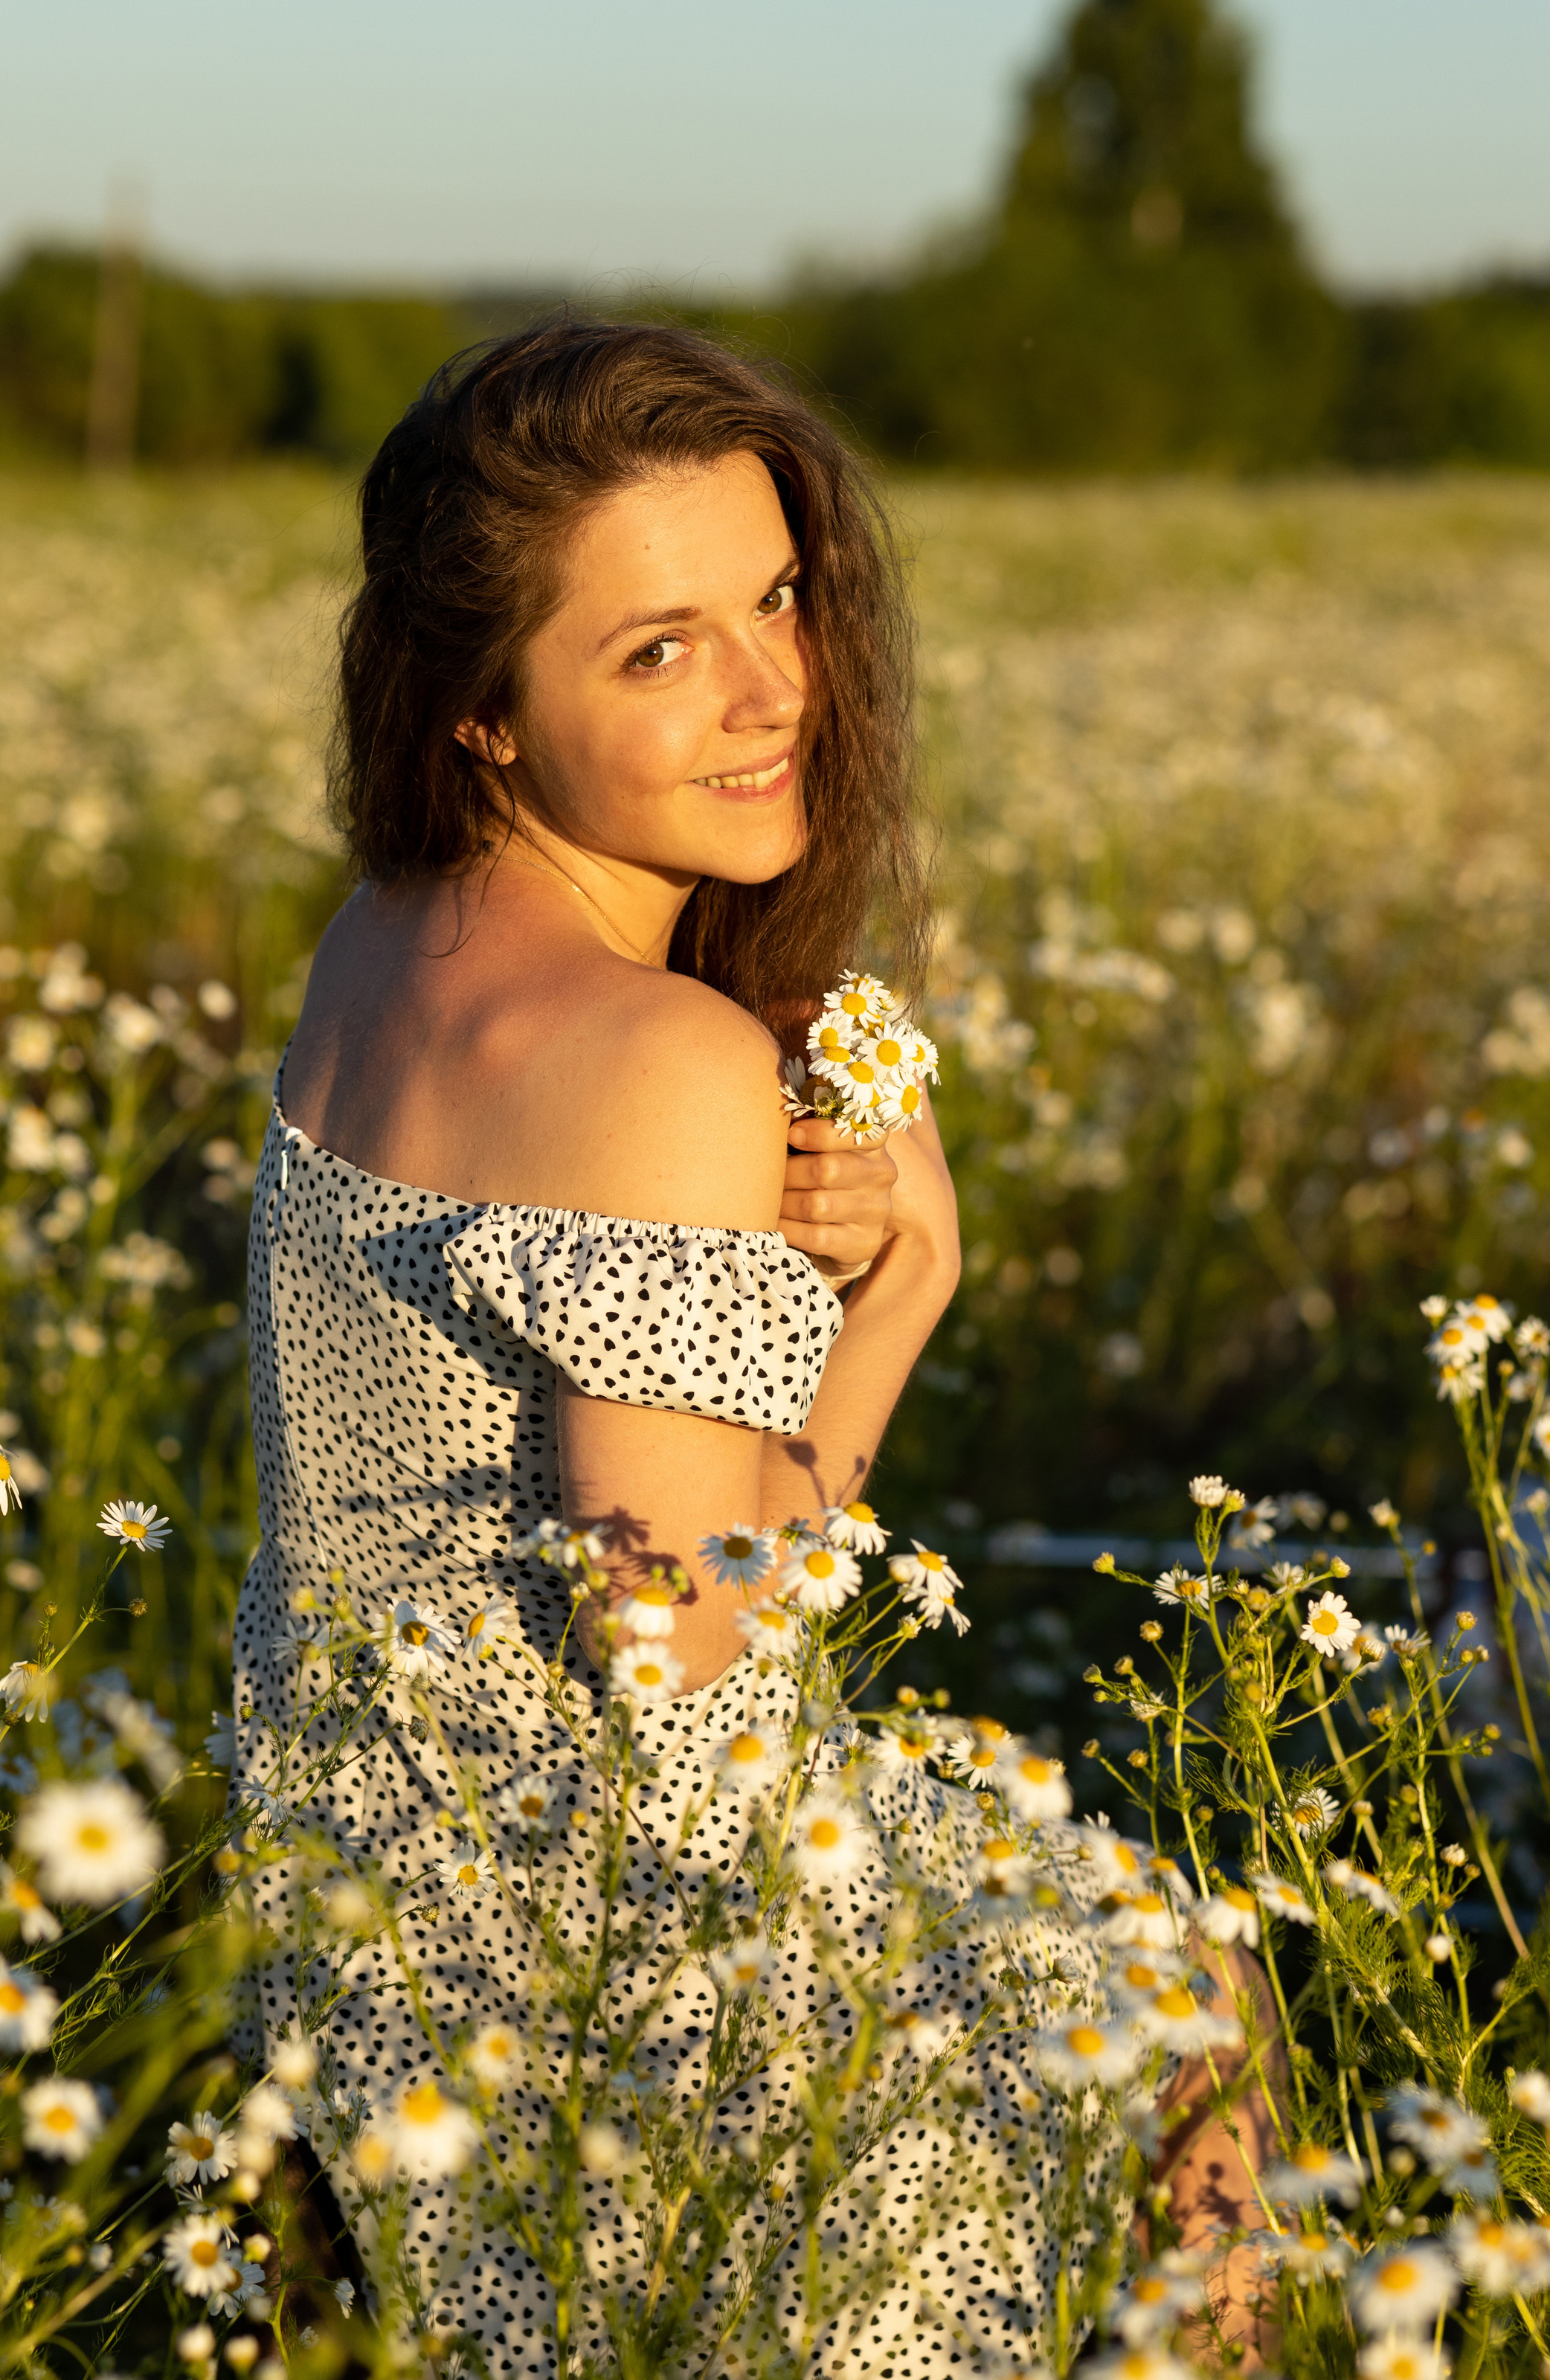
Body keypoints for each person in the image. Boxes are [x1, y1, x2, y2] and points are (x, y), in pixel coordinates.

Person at [233, 318, 1271, 2373]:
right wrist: (901, 1298)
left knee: (1132, 1925)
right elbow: (682, 1657)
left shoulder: (386, 940)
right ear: (482, 714)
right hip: (593, 1988)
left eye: (777, 599)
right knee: (1195, 1997)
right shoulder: (660, 1055)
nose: (773, 687)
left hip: (354, 1916)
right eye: (659, 649)